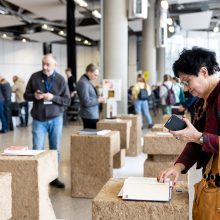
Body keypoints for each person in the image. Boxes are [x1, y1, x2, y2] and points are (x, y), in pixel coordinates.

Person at [158, 47, 220, 217]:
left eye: (187, 81)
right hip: (210, 178)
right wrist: (178, 167)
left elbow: (198, 138)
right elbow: (196, 141)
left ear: (204, 72)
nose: (186, 88)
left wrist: (198, 137)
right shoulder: (202, 102)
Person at [24, 54, 71, 188]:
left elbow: (67, 101)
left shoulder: (61, 80)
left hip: (56, 119)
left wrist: (53, 97)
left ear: (55, 65)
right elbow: (25, 95)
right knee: (37, 149)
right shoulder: (35, 77)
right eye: (43, 64)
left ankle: (53, 177)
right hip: (38, 119)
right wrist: (34, 95)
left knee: (54, 149)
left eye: (48, 64)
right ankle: (37, 177)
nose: (45, 67)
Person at [76, 63, 105, 129]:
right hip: (89, 115)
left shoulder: (87, 81)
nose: (96, 77)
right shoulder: (83, 83)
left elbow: (91, 97)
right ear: (89, 72)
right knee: (91, 137)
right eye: (95, 75)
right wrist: (98, 100)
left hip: (92, 114)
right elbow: (86, 102)